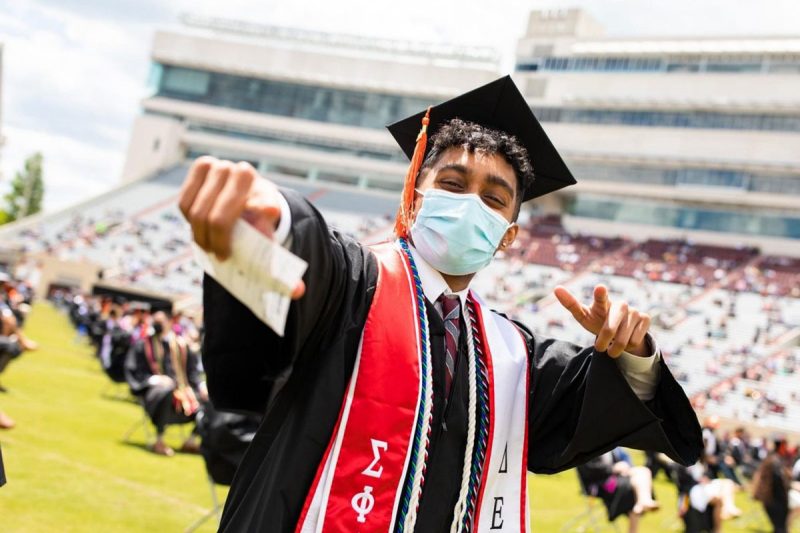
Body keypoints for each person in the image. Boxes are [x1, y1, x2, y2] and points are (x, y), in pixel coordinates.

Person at [181, 76, 702, 531]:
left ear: (507, 236)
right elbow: (308, 247)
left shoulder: (512, 356)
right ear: (413, 197)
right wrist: (270, 220)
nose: (471, 203)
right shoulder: (353, 283)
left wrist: (633, 354)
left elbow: (587, 409)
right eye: (452, 184)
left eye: (494, 198)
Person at [124, 311, 206, 456]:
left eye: (160, 321)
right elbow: (134, 370)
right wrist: (153, 379)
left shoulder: (180, 346)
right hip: (156, 392)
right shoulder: (143, 345)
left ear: (169, 323)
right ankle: (159, 440)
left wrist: (201, 385)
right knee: (166, 391)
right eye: (155, 321)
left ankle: (191, 440)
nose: (157, 325)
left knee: (212, 400)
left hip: (183, 392)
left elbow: (192, 373)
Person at [576, 447, 658, 533]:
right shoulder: (588, 445)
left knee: (644, 471)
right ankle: (642, 502)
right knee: (632, 489)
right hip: (599, 485)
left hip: (616, 478)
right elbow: (590, 470)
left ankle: (642, 501)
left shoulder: (612, 444)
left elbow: (625, 459)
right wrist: (613, 468)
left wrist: (625, 467)